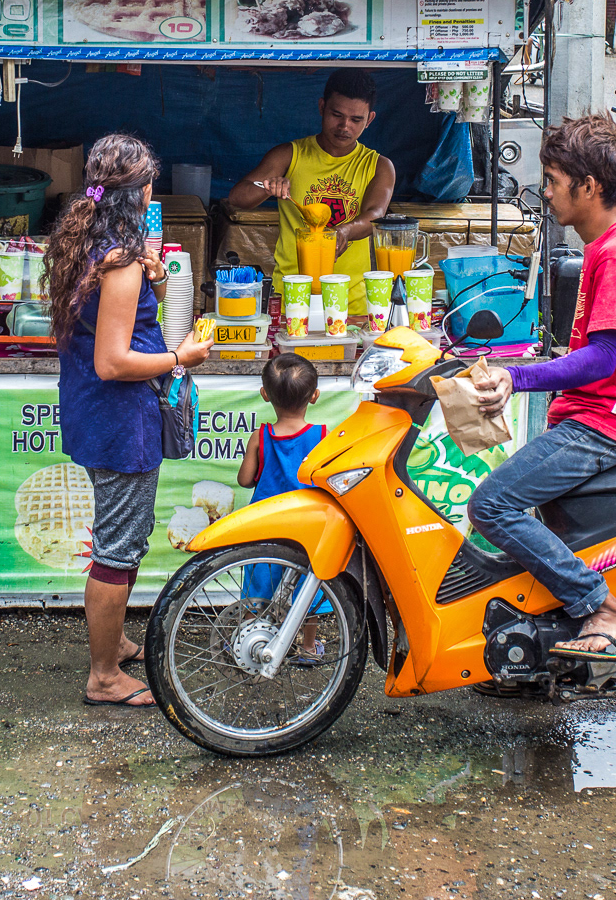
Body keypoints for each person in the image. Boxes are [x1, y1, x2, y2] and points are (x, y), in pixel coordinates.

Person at [466, 114, 616, 660]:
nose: (547, 192)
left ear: (589, 187)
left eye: (554, 180)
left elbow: (602, 360)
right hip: (599, 412)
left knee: (491, 505)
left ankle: (600, 605)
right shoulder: (610, 244)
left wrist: (517, 377)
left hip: (609, 421)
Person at [45, 134, 213, 707]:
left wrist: (154, 279)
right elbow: (113, 360)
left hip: (98, 413)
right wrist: (179, 359)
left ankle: (111, 645)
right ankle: (103, 676)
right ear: (144, 192)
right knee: (119, 549)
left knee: (120, 541)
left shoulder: (93, 243)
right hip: (121, 419)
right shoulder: (117, 262)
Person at [227, 69, 394, 316]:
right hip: (294, 298)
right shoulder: (289, 155)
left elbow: (375, 214)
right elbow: (237, 197)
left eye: (356, 120)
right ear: (322, 107)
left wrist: (345, 230)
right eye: (336, 115)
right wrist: (267, 187)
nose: (344, 126)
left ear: (369, 119)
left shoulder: (378, 165)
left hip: (352, 302)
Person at [235, 352, 329, 665]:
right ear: (314, 396)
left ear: (265, 395)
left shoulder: (260, 437)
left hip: (266, 527)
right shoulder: (322, 437)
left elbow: (246, 480)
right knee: (309, 588)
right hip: (307, 529)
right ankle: (307, 647)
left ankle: (247, 639)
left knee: (258, 587)